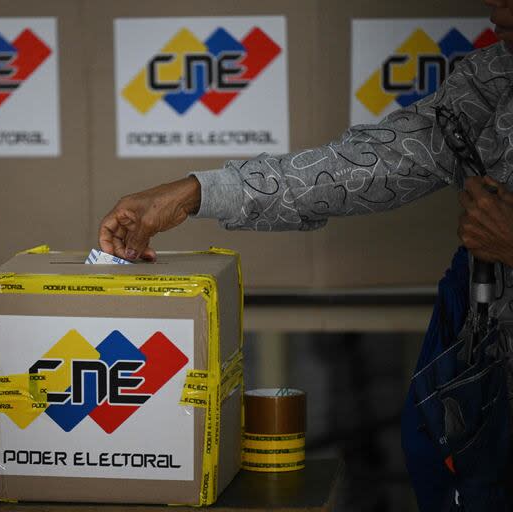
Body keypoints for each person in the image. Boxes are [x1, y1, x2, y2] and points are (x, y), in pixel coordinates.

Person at [98, 1, 513, 510]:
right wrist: (198, 192)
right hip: (488, 355)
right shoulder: (495, 76)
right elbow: (380, 162)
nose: (496, 5)